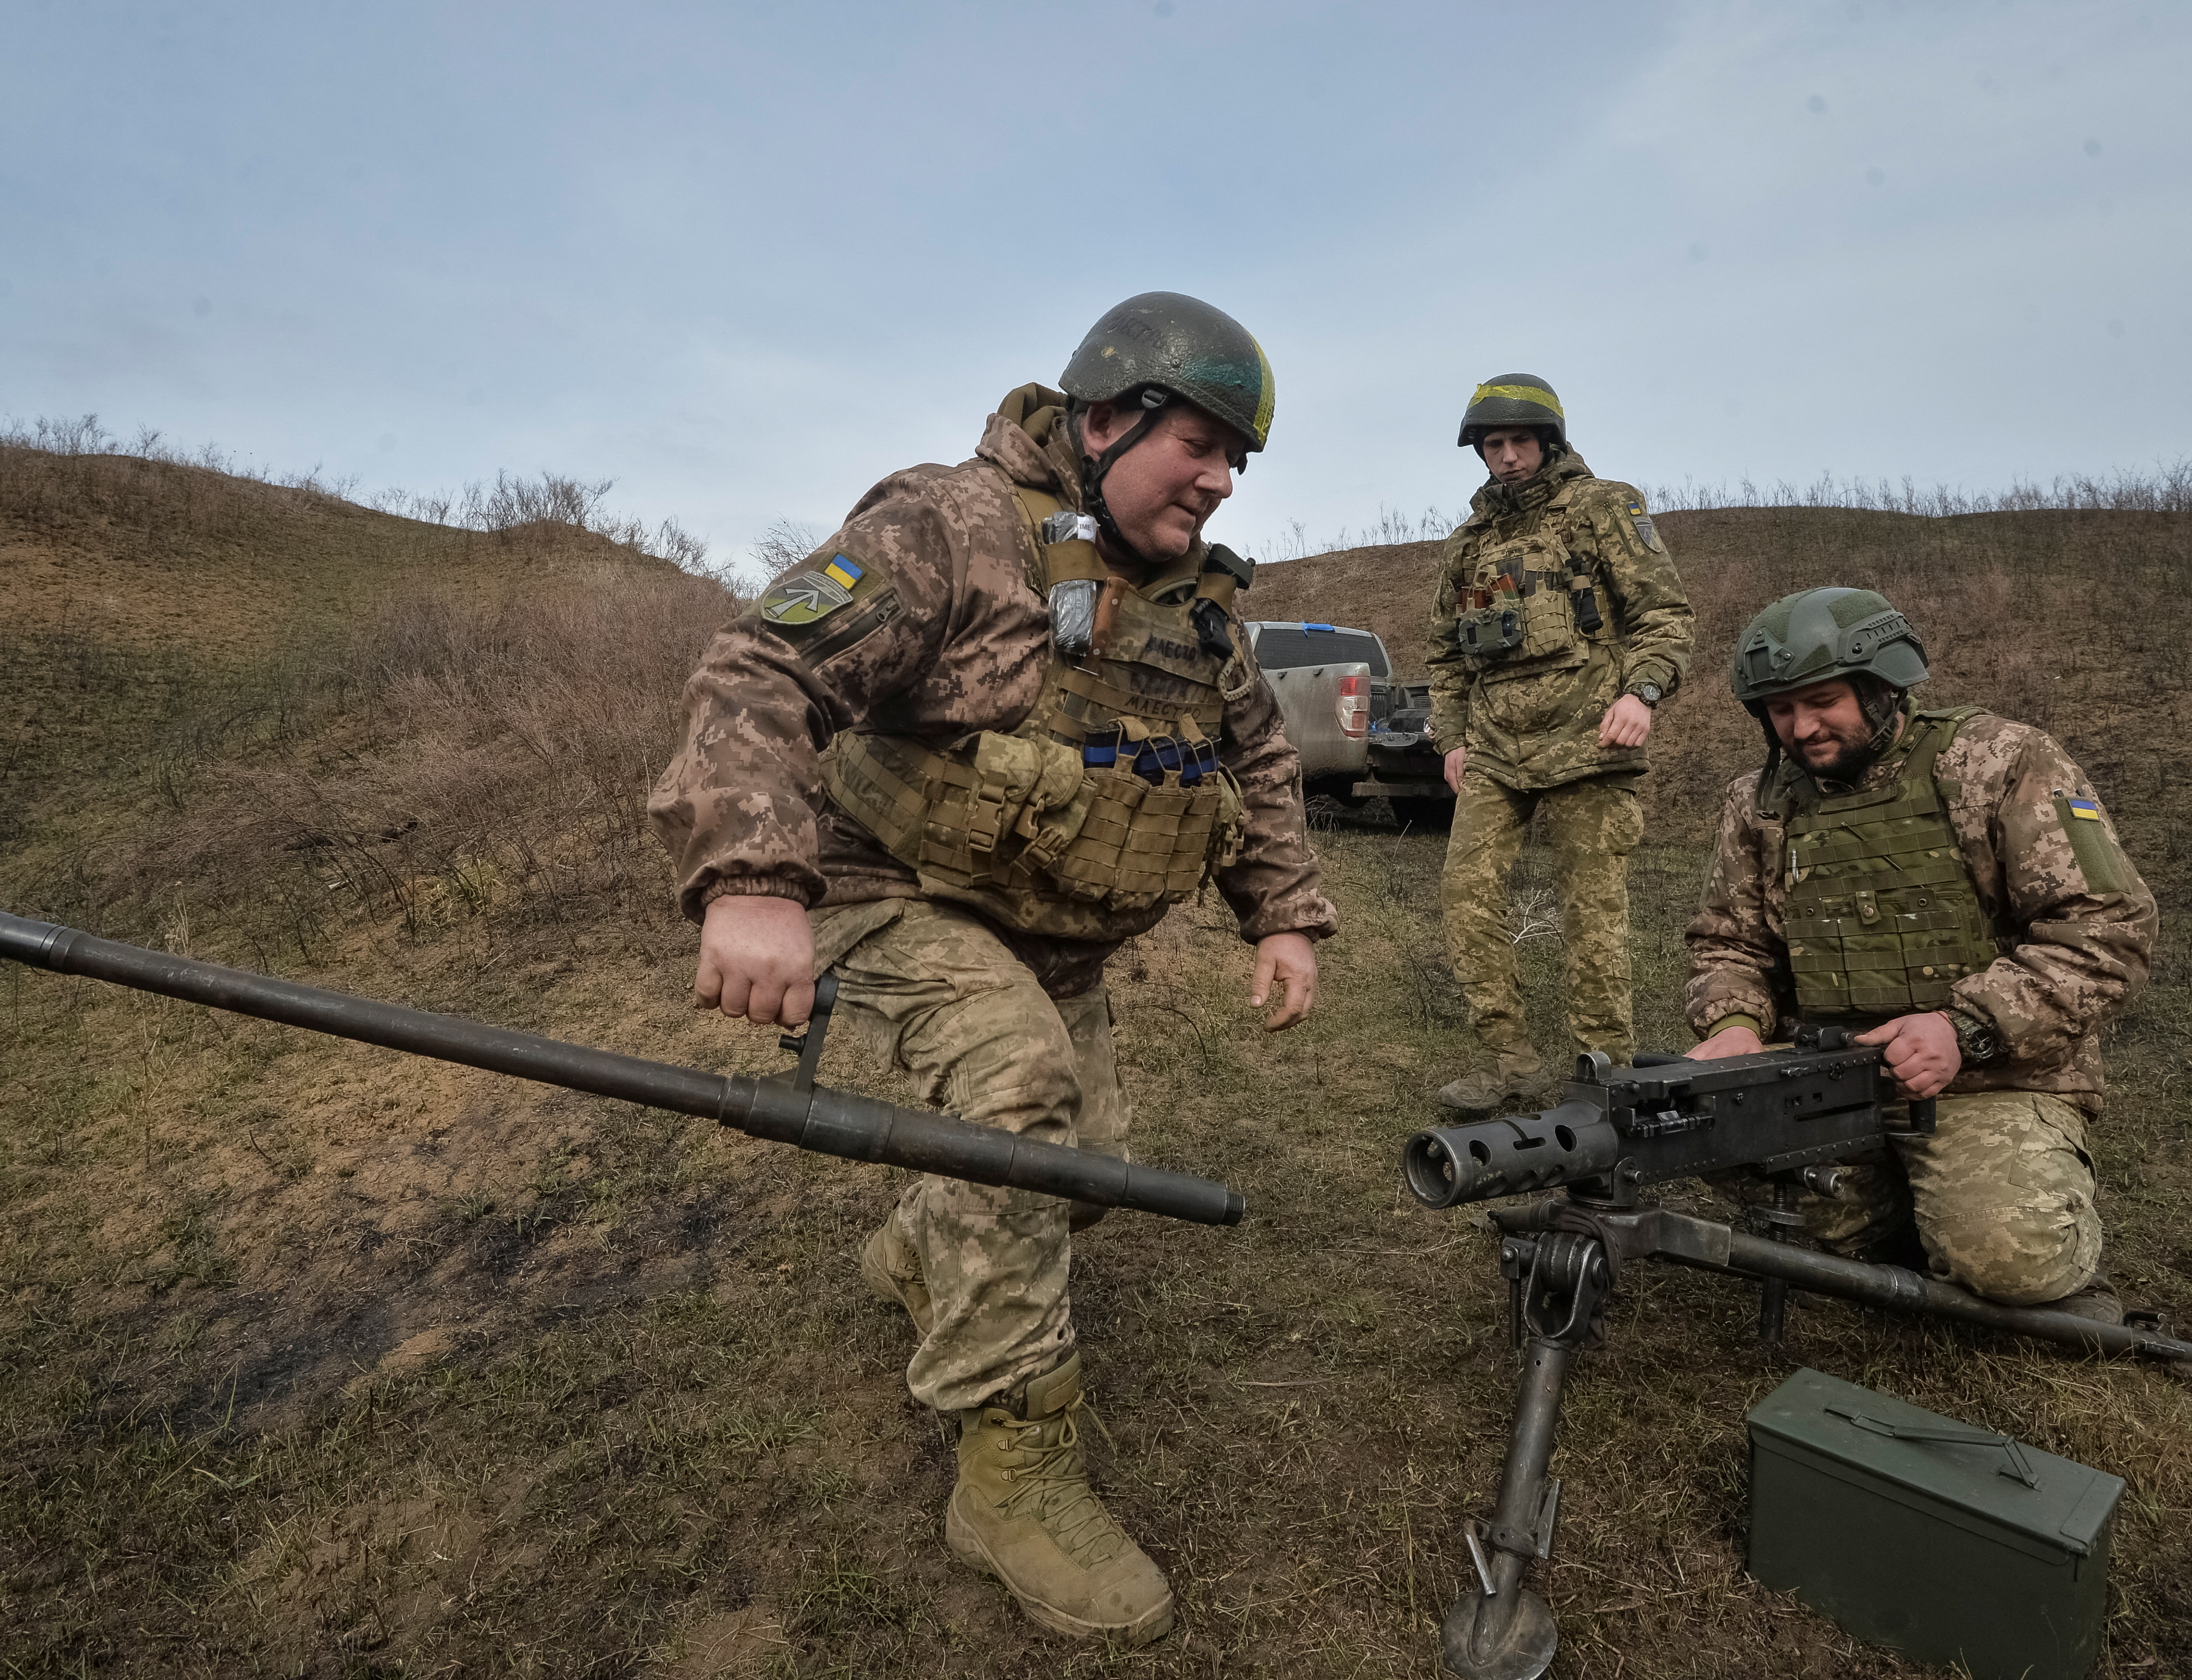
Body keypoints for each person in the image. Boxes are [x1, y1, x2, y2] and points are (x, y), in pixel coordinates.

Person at [646, 292, 1335, 1646]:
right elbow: (758, 667)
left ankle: (925, 1243)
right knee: (1016, 1107)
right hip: (887, 890)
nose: (1218, 478)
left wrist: (1284, 915)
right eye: (1197, 441)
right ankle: (1012, 1477)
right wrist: (751, 882)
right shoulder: (954, 528)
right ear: (1104, 418)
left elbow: (1254, 755)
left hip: (1054, 942)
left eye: (1238, 459)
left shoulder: (1199, 607)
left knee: (1083, 1177)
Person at [1683, 587, 2155, 1316]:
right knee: (1702, 1136)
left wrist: (1962, 1028)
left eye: (1822, 701)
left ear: (1880, 687)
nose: (1801, 728)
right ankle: (1901, 1213)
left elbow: (2106, 927)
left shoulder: (1998, 762)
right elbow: (1728, 939)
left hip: (1987, 1078)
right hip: (1824, 1075)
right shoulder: (1758, 801)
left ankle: (1995, 1218)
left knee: (2010, 1260)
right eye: (1780, 709)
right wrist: (1734, 1027)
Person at [1426, 376, 1695, 1112]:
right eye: (1492, 445)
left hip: (1590, 741)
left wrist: (1639, 693)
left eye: (1519, 442)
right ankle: (1509, 1062)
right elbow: (1445, 655)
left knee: (1591, 911)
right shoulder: (1469, 543)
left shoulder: (1604, 506)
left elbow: (1665, 615)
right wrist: (1451, 739)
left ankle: (1600, 1071)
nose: (1506, 457)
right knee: (1466, 897)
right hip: (1495, 752)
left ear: (1549, 441)